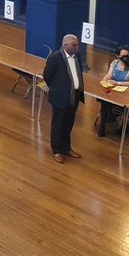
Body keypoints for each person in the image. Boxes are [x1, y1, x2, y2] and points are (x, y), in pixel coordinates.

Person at [43, 34, 85, 162]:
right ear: (65, 45)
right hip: (60, 97)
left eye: (77, 44)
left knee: (69, 123)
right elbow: (47, 76)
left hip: (74, 96)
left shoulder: (77, 56)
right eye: (74, 44)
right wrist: (57, 89)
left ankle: (66, 148)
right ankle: (56, 150)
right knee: (58, 123)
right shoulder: (55, 58)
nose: (77, 46)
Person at [98, 46, 129, 137]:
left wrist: (117, 83)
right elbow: (108, 75)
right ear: (117, 56)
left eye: (127, 55)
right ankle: (103, 125)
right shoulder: (114, 63)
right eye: (123, 55)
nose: (125, 57)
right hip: (113, 92)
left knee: (106, 103)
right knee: (105, 101)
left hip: (124, 94)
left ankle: (110, 118)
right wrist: (104, 81)